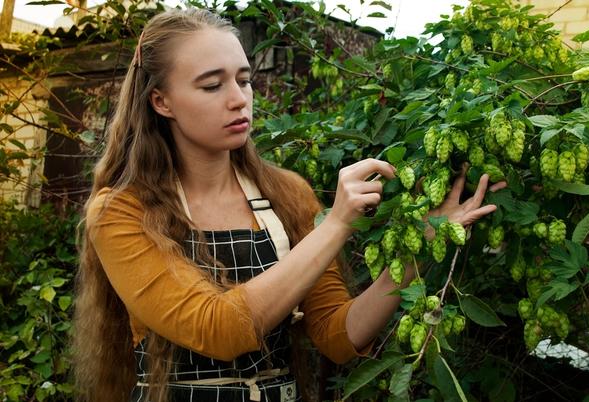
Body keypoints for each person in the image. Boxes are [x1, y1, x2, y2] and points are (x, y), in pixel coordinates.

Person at [72, 7, 505, 402]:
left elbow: (338, 335)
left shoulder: (286, 192)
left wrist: (418, 250)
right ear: (160, 101)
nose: (239, 99)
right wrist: (336, 225)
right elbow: (217, 328)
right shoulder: (122, 211)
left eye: (243, 80)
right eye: (211, 85)